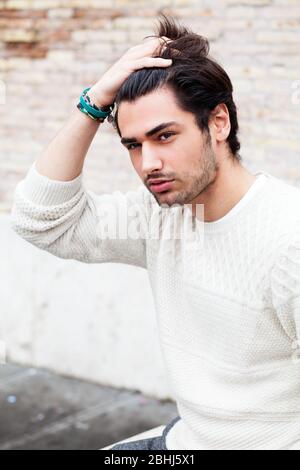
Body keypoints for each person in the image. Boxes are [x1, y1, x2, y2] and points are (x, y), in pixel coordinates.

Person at [10, 14, 300, 450]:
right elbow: (40, 220)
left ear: (218, 122)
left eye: (164, 136)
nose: (147, 164)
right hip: (183, 441)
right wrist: (94, 102)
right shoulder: (160, 216)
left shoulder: (288, 241)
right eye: (133, 145)